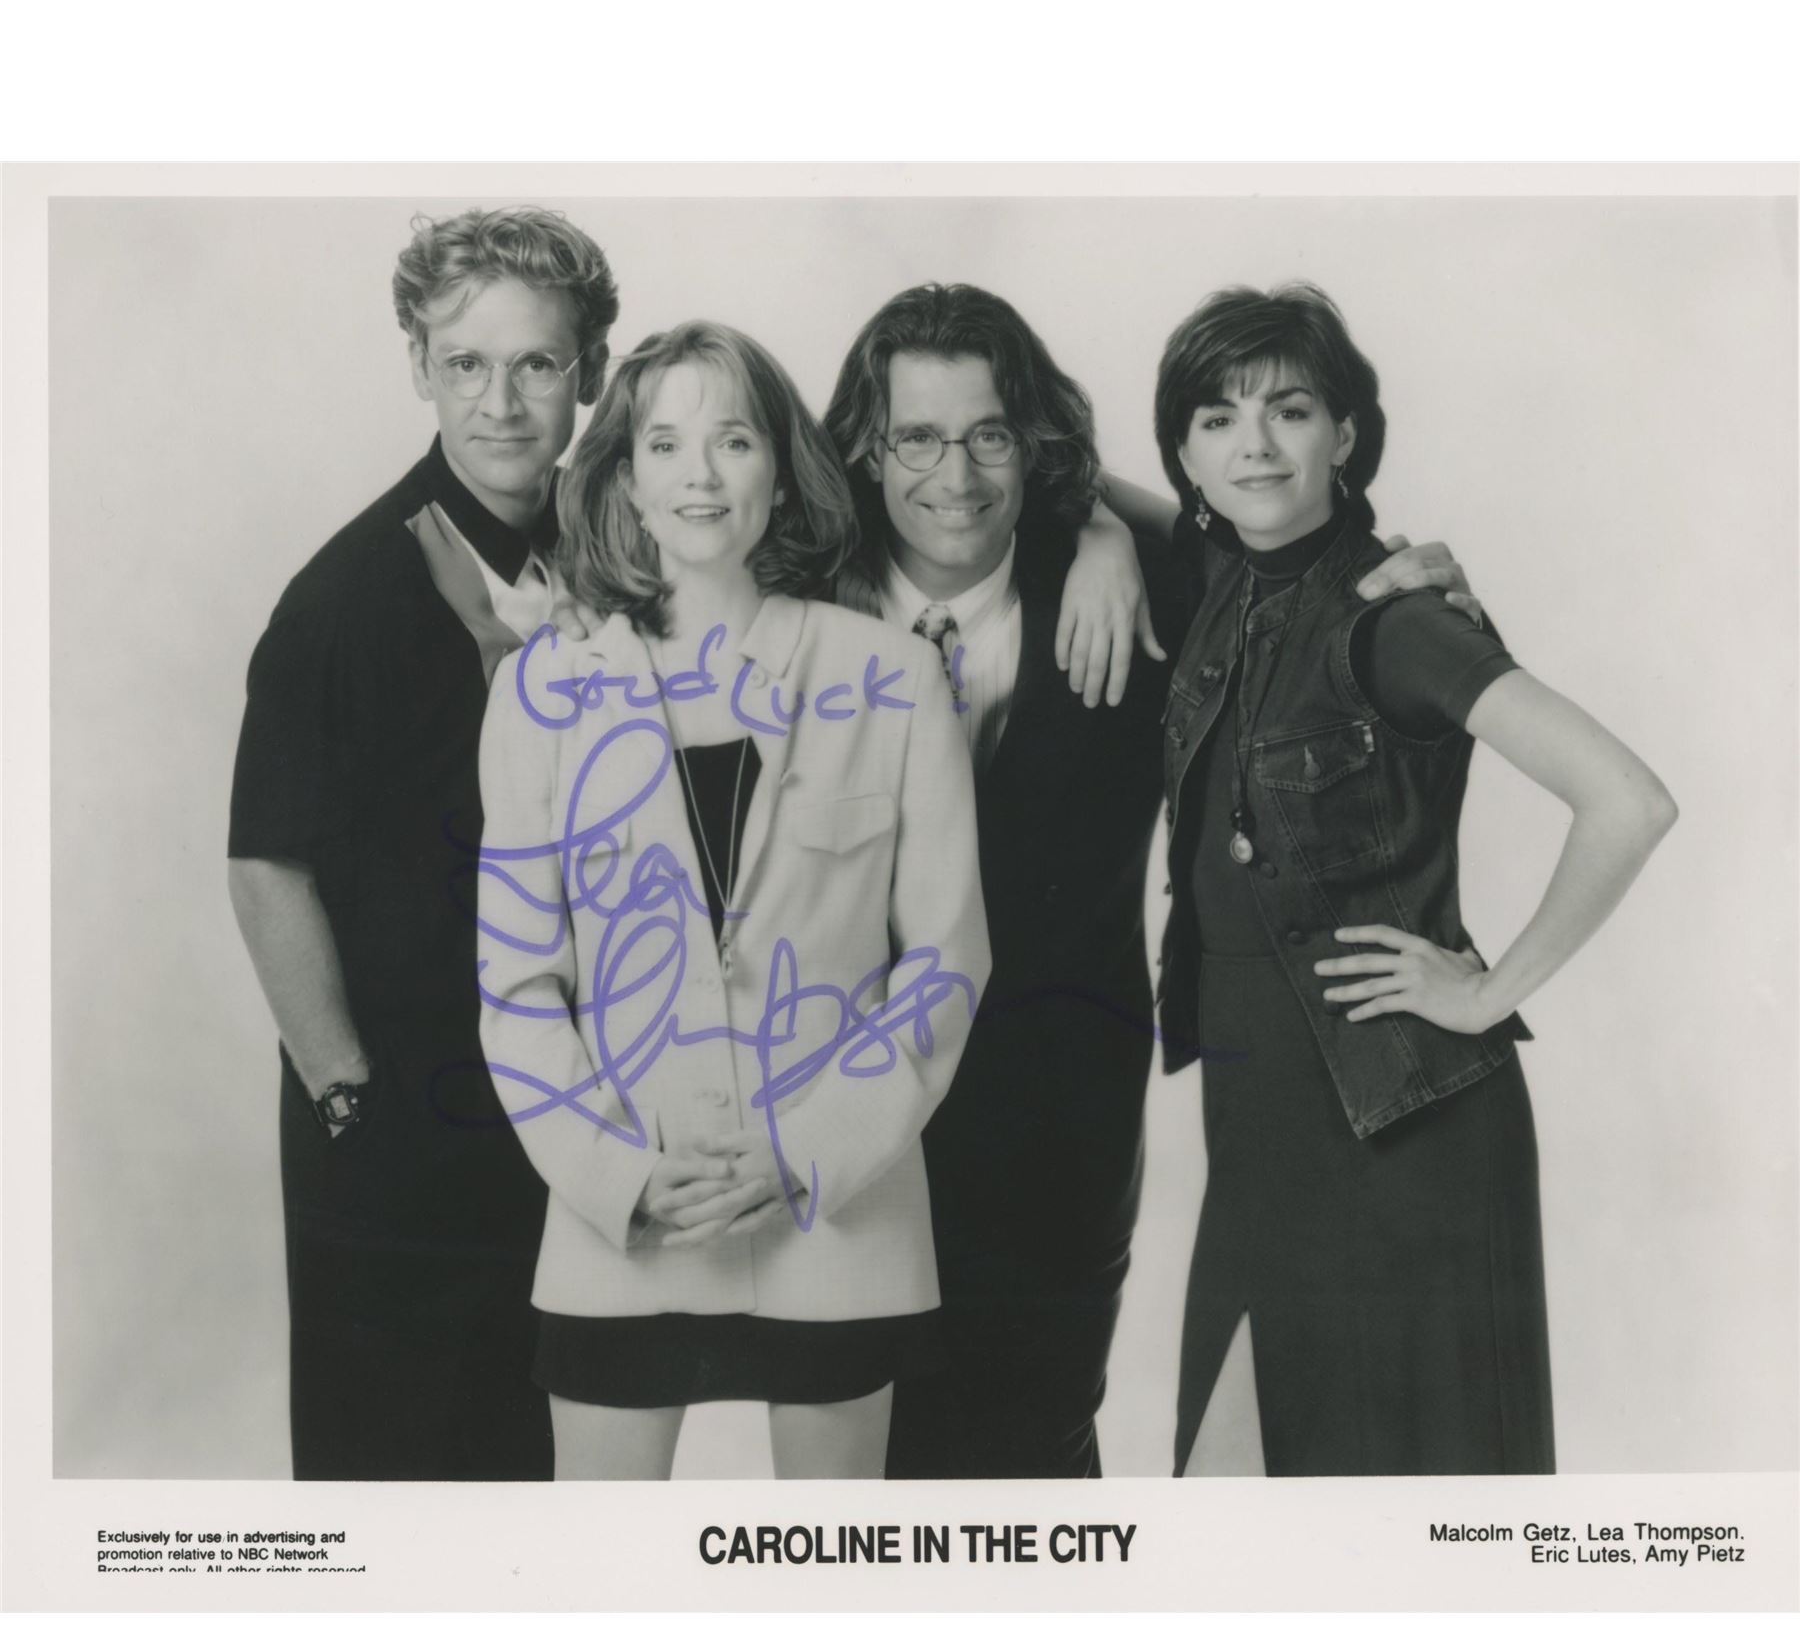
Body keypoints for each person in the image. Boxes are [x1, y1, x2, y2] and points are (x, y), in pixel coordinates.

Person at [821, 283, 1477, 1479]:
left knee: (1032, 1461)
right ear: (868, 448)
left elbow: (1298, 558)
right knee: (845, 1476)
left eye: (990, 436)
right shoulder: (792, 593)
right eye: (916, 438)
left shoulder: (1163, 593)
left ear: (1034, 445)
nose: (955, 477)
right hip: (831, 1099)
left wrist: (1412, 585)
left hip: (1056, 1114)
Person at [1154, 284, 1677, 1476]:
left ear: (1346, 433)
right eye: (1218, 418)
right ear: (1183, 454)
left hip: (1405, 1129)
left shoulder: (1397, 618)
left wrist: (1487, 993)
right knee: (1230, 1507)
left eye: (1291, 410)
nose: (1255, 445)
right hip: (1262, 1124)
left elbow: (1629, 801)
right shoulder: (1223, 577)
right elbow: (1074, 497)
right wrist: (1091, 546)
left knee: (1412, 1531)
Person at [474, 321, 989, 1480]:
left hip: (839, 1216)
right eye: (664, 444)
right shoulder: (542, 691)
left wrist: (807, 1151)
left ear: (781, 472)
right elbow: (516, 985)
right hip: (624, 1220)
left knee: (830, 1570)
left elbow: (946, 962)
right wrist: (616, 1176)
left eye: (735, 441)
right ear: (624, 479)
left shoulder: (894, 677)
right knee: (599, 1574)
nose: (699, 475)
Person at [226, 206, 619, 1480]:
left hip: (554, 1112)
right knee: (393, 1488)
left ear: (591, 375)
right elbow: (265, 866)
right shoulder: (343, 598)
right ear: (419, 368)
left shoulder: (607, 560)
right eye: (467, 364)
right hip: (398, 1132)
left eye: (537, 363)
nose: (501, 403)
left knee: (535, 1487)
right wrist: (350, 1099)